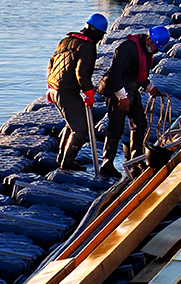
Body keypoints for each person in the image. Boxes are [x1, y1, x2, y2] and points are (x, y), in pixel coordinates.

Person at [99, 24, 170, 179]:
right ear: (149, 39)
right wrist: (121, 97)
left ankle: (136, 159)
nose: (156, 51)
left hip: (131, 89)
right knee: (116, 126)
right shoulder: (127, 48)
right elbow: (116, 73)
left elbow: (140, 74)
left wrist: (150, 87)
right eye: (155, 47)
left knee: (140, 123)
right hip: (115, 89)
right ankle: (107, 163)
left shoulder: (146, 51)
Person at [46, 12, 108, 170]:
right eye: (101, 34)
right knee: (81, 128)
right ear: (96, 32)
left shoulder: (67, 40)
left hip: (55, 89)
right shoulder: (87, 46)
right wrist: (89, 93)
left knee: (71, 124)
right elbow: (82, 73)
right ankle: (67, 162)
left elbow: (52, 62)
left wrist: (50, 87)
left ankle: (62, 157)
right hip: (66, 91)